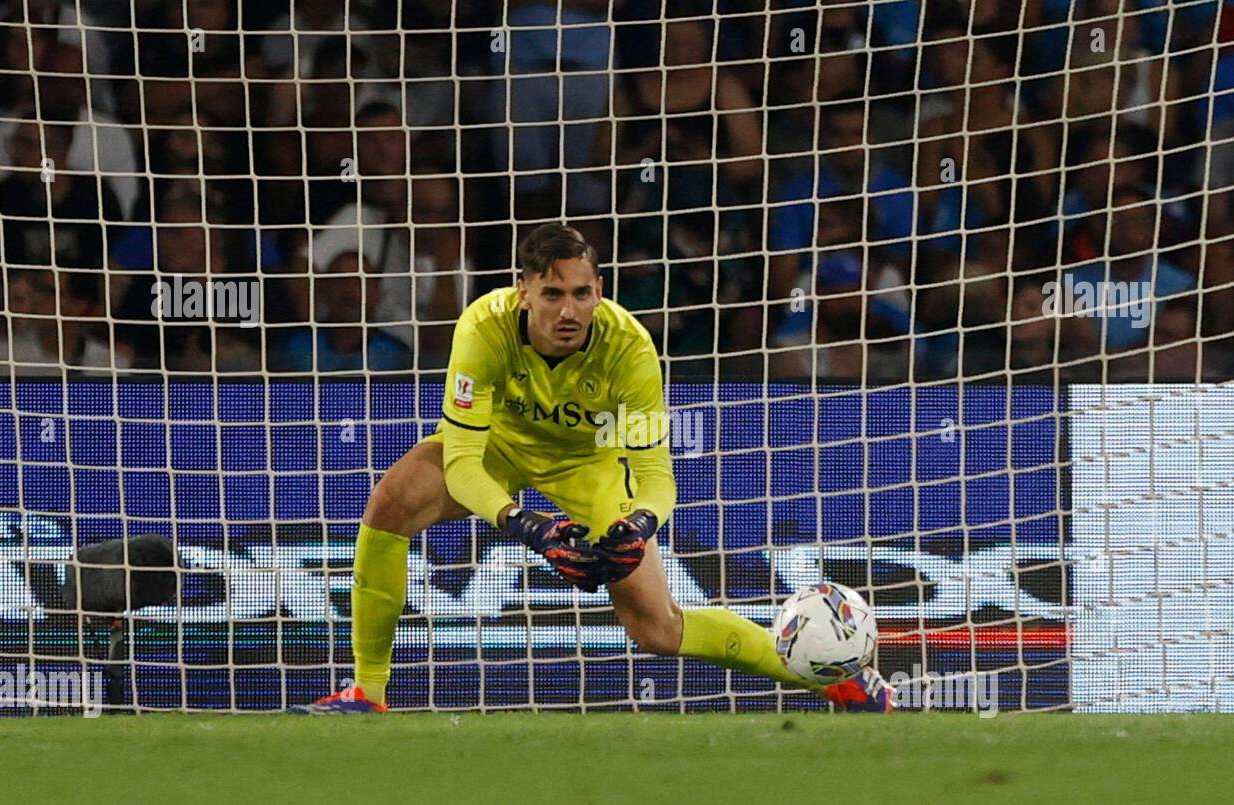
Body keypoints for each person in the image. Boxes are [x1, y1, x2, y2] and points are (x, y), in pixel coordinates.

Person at [299, 223, 892, 714]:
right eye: (553, 294)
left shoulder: (628, 348)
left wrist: (640, 526)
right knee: (390, 503)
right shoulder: (481, 327)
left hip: (590, 464)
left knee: (657, 629)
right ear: (523, 291)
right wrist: (524, 524)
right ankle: (367, 692)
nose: (569, 310)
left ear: (599, 290)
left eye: (582, 293)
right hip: (498, 449)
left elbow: (656, 475)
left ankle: (837, 680)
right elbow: (460, 462)